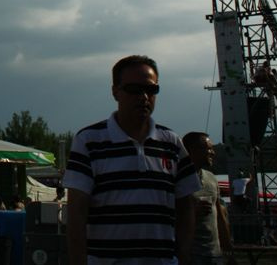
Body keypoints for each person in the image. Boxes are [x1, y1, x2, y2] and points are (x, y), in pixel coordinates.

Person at [64, 54, 200, 264]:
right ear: (115, 92)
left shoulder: (172, 143)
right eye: (134, 90)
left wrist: (182, 256)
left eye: (151, 90)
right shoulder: (89, 141)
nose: (144, 97)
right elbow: (76, 212)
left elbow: (186, 206)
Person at [182, 132, 235, 265]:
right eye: (208, 148)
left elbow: (220, 218)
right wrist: (191, 212)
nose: (212, 152)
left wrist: (228, 251)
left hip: (215, 255)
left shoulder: (211, 178)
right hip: (192, 256)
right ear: (191, 150)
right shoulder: (178, 180)